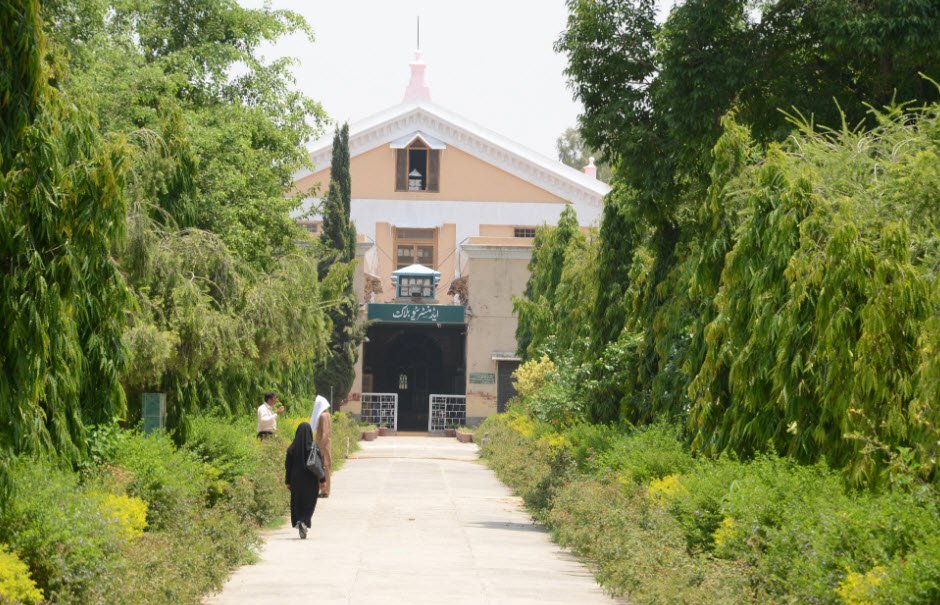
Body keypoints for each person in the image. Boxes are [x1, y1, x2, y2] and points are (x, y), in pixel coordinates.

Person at [284, 422, 318, 539]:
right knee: (309, 502)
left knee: (297, 502)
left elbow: (288, 466)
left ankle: (299, 520)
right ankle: (304, 520)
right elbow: (319, 464)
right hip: (311, 480)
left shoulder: (291, 449)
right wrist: (322, 479)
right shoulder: (313, 448)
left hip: (296, 480)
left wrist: (288, 481)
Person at [310, 395, 333, 498]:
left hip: (323, 446)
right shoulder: (326, 415)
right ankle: (324, 490)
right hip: (324, 445)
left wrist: (321, 448)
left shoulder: (323, 416)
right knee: (324, 468)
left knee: (325, 468)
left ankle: (325, 491)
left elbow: (325, 433)